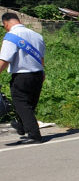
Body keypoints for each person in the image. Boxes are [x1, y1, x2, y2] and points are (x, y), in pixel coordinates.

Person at [0, 13, 46, 144]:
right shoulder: (37, 35)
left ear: (6, 23)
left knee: (22, 104)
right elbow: (41, 58)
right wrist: (42, 71)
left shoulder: (11, 36)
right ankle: (21, 127)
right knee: (29, 104)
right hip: (37, 74)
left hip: (22, 76)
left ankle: (34, 135)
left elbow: (4, 60)